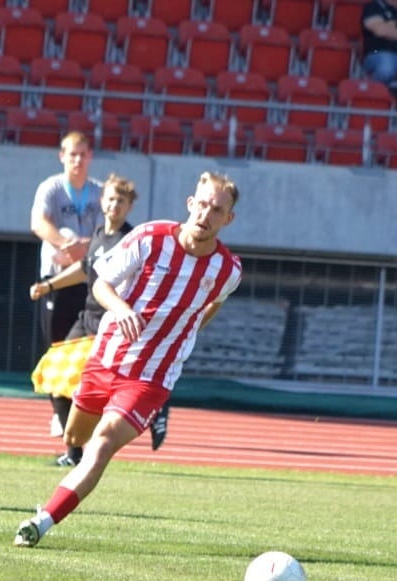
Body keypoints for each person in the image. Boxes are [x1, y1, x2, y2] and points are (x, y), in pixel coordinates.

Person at [14, 171, 242, 549]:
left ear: (228, 219)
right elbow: (101, 283)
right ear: (190, 204)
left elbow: (213, 304)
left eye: (216, 210)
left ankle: (42, 521)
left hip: (151, 378)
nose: (206, 214)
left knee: (102, 443)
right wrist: (121, 310)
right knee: (75, 437)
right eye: (202, 204)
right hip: (106, 358)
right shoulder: (150, 237)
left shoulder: (228, 270)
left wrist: (183, 333)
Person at [30, 173, 139, 467]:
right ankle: (75, 453)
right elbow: (83, 269)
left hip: (108, 325)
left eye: (121, 200)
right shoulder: (99, 235)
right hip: (86, 318)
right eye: (110, 198)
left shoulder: (130, 241)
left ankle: (86, 450)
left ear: (129, 206)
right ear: (102, 202)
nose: (114, 204)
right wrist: (49, 285)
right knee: (56, 376)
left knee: (92, 388)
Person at [30, 131, 104, 442]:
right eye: (72, 154)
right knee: (56, 346)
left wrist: (84, 249)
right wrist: (65, 243)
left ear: (90, 157)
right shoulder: (51, 188)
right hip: (56, 278)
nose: (77, 160)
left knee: (87, 349)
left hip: (88, 281)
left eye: (83, 154)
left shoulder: (99, 192)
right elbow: (38, 222)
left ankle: (82, 411)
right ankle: (58, 412)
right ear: (62, 156)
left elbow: (106, 231)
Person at [362, 0, 397, 88]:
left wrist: (390, 25)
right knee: (386, 68)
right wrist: (389, 29)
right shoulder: (375, 6)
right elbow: (380, 31)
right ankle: (372, 91)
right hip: (378, 53)